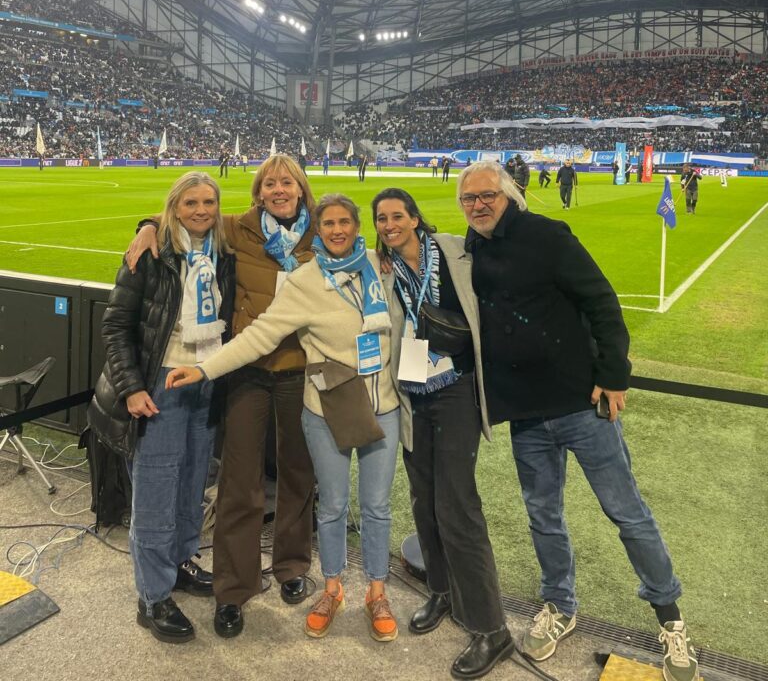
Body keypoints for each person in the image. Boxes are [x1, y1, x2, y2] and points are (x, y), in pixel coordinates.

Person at [457, 161, 699, 681]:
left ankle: (670, 618)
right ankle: (559, 605)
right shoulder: (470, 249)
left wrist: (613, 375)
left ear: (508, 195)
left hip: (582, 405)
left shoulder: (548, 236)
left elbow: (602, 301)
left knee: (627, 513)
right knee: (543, 515)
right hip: (525, 414)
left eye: (487, 195)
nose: (478, 205)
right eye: (468, 199)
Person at [166, 194, 401, 644]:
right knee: (331, 506)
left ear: (357, 227)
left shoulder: (378, 265)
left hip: (383, 406)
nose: (337, 230)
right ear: (318, 230)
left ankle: (377, 592)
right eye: (328, 224)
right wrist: (204, 368)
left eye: (345, 222)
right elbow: (260, 335)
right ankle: (331, 589)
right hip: (327, 409)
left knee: (377, 507)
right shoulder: (305, 280)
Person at [126, 155, 317, 639]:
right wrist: (147, 226)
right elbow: (187, 217)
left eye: (287, 182)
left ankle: (292, 567)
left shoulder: (321, 233)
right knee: (237, 482)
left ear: (301, 188)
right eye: (269, 183)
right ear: (258, 192)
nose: (278, 189)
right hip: (242, 370)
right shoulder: (237, 229)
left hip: (298, 372)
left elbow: (360, 250)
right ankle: (233, 590)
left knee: (296, 474)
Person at [88, 172, 236, 644]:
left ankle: (179, 562)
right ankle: (152, 597)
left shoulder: (224, 252)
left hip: (204, 382)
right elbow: (115, 326)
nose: (201, 210)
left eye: (208, 201)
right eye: (190, 202)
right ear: (173, 207)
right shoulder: (151, 254)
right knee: (155, 493)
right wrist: (132, 388)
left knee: (191, 484)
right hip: (159, 386)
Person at [373, 188, 513, 679]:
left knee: (458, 505)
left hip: (455, 390)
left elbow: (506, 253)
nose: (390, 225)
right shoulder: (382, 267)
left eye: (397, 216)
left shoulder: (456, 248)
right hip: (413, 393)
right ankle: (441, 590)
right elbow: (331, 248)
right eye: (381, 219)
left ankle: (492, 628)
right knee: (423, 497)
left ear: (415, 218)